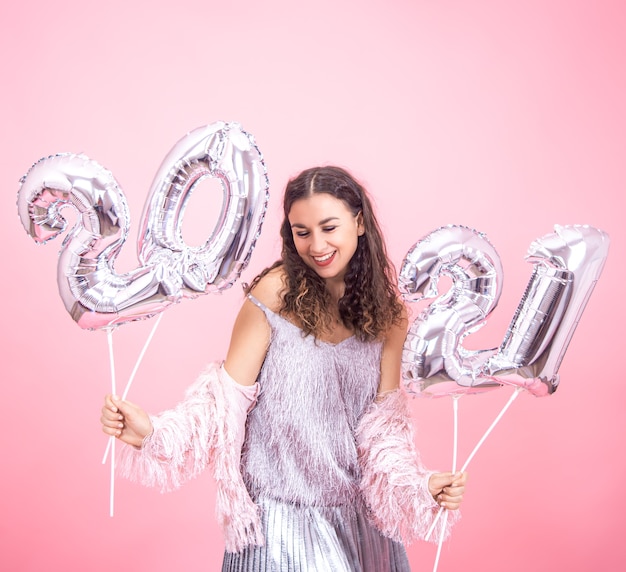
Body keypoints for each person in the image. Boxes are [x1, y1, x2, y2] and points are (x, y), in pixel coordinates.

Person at [101, 166, 467, 571]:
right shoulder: (274, 295)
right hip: (278, 525)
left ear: (359, 222)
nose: (317, 245)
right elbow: (225, 400)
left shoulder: (390, 319)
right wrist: (153, 433)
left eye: (329, 227)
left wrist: (420, 486)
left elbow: (383, 436)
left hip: (362, 531)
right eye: (302, 231)